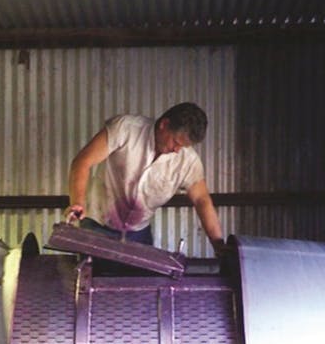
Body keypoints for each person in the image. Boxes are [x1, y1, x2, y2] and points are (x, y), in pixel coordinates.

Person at [64, 102, 224, 254]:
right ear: (164, 124)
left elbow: (202, 200)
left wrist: (219, 246)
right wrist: (78, 202)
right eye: (175, 142)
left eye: (183, 146)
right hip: (97, 225)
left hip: (138, 234)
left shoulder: (187, 161)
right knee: (90, 280)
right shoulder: (125, 129)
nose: (177, 150)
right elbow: (82, 162)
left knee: (139, 281)